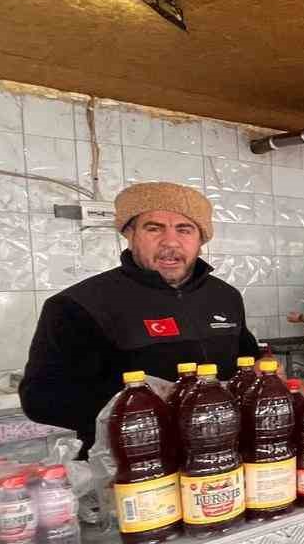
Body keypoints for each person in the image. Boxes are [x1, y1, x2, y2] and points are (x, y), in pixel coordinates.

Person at [21, 182, 257, 453]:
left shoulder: (224, 296)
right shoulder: (78, 305)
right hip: (131, 463)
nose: (170, 241)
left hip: (221, 453)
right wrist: (143, 412)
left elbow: (246, 363)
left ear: (201, 240)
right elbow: (40, 400)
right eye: (154, 228)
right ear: (129, 234)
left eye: (184, 229)